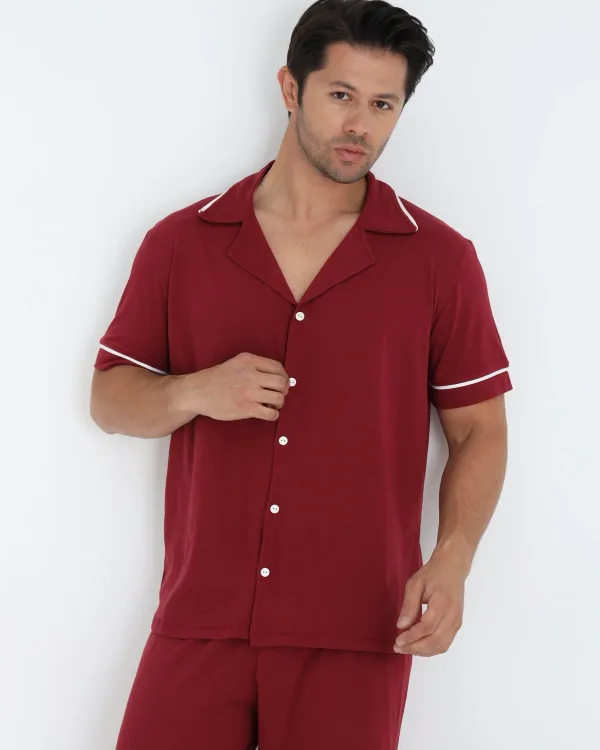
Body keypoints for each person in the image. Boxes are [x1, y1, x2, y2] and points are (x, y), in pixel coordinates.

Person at [90, 1, 512, 748]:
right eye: (341, 94)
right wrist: (193, 391)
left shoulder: (439, 260)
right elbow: (110, 401)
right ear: (291, 87)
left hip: (358, 627)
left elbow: (479, 428)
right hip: (202, 616)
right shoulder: (182, 242)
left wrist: (453, 558)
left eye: (383, 104)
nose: (360, 125)